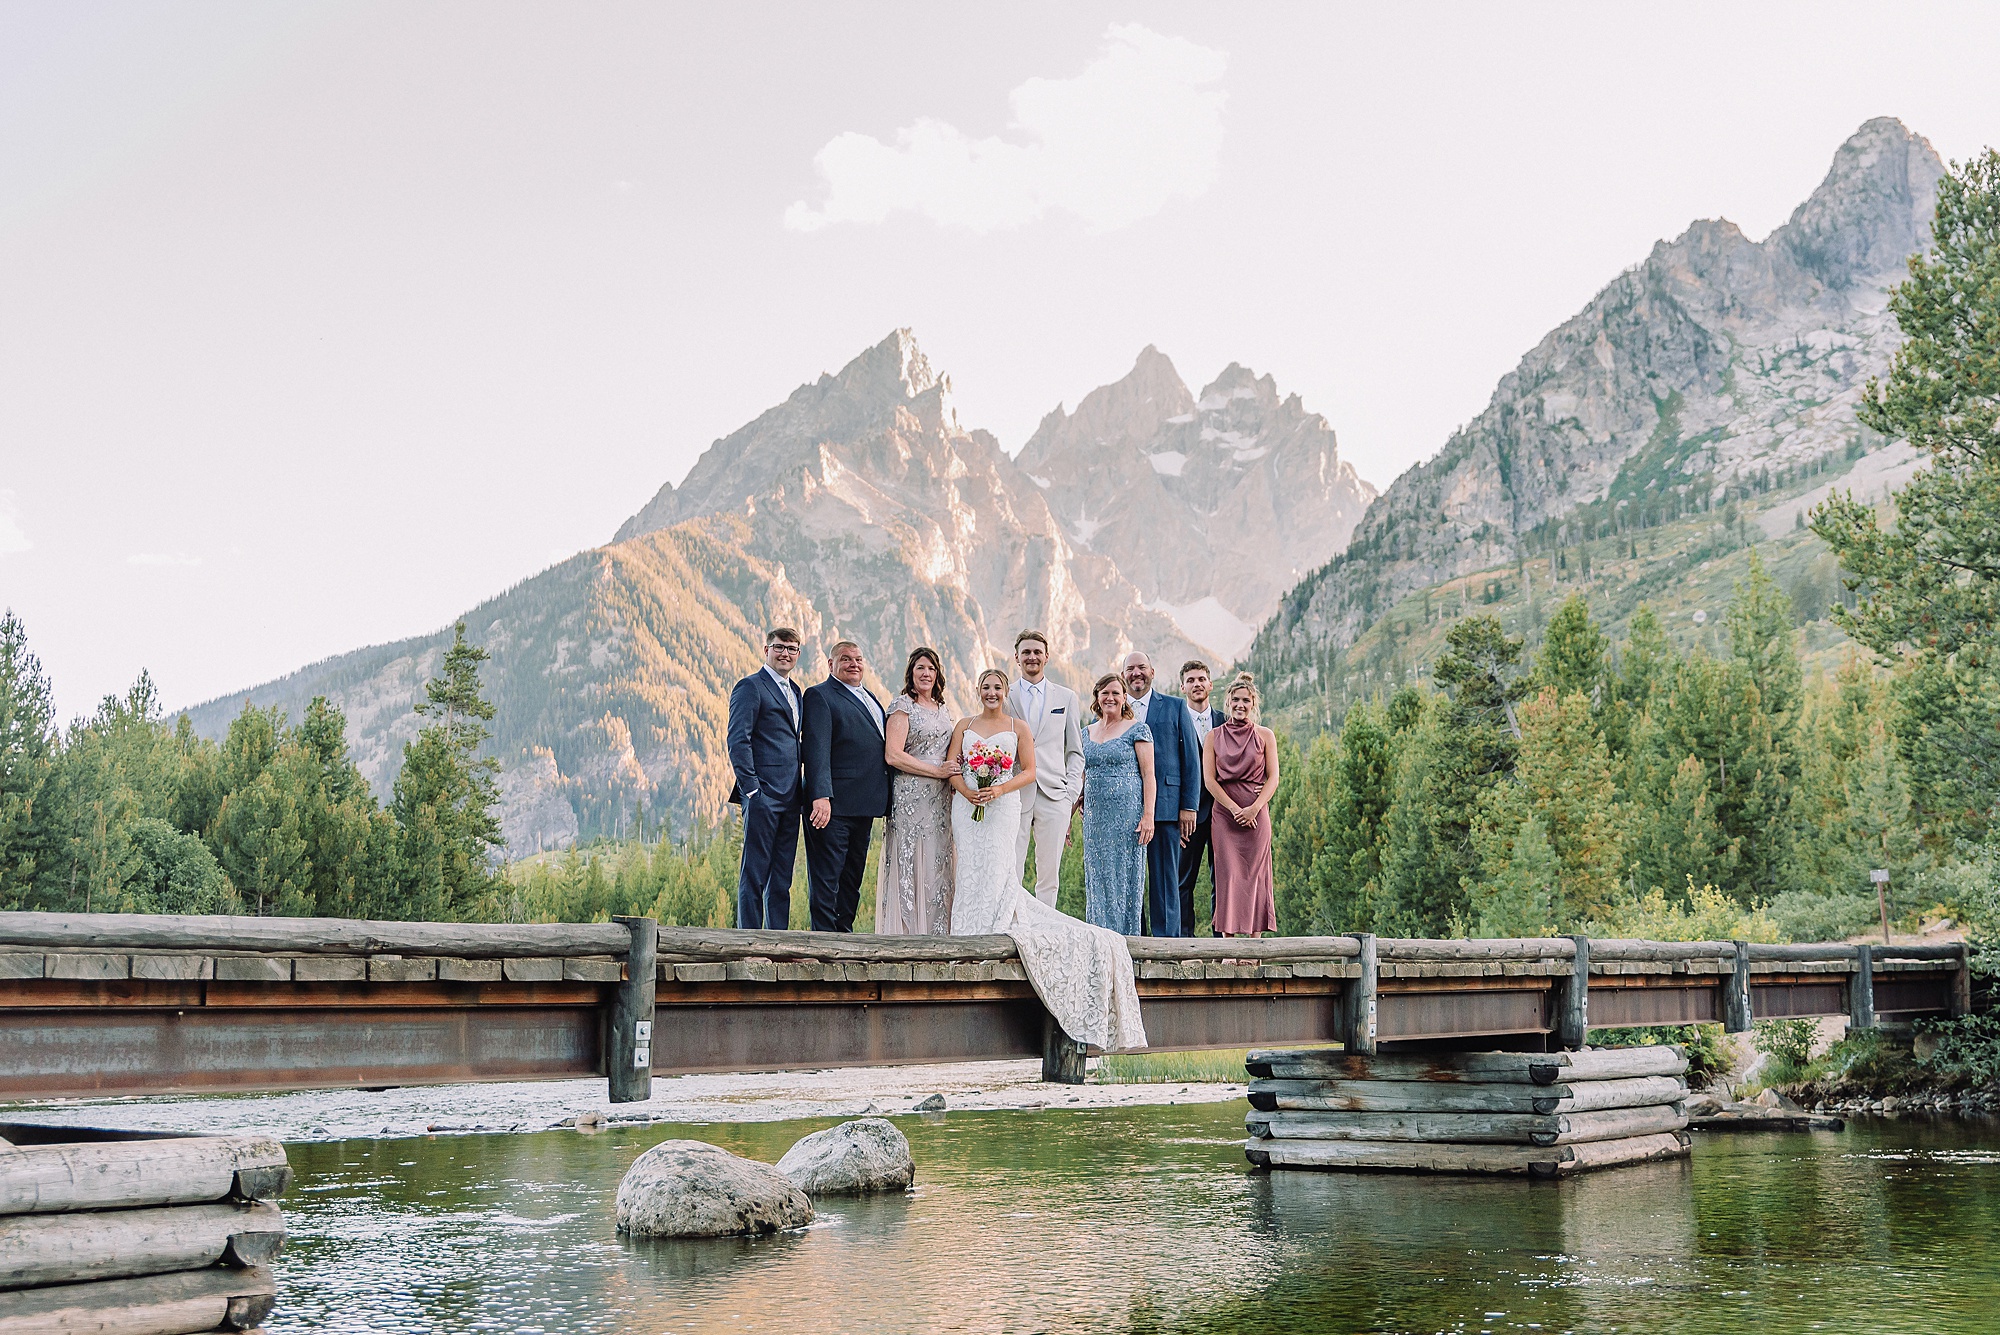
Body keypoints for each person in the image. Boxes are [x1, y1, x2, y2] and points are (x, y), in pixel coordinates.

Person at [948, 667, 1147, 1055]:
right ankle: (967, 934)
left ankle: (1000, 925)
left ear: (1005, 692)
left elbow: (1031, 770)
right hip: (968, 806)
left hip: (1003, 802)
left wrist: (998, 787)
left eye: (997, 688)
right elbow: (954, 767)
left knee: (1006, 868)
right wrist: (968, 791)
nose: (991, 692)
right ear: (978, 690)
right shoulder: (964, 724)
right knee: (970, 869)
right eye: (985, 687)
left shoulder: (1018, 726)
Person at [801, 640, 892, 933]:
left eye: (858, 659)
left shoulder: (871, 698)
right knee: (828, 877)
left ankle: (845, 938)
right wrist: (820, 796)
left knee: (852, 878)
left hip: (864, 805)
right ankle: (825, 942)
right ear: (831, 664)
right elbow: (816, 750)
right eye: (845, 658)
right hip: (832, 806)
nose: (853, 664)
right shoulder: (820, 695)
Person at [726, 627, 805, 930]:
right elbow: (738, 740)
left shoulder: (796, 690)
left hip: (791, 797)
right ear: (766, 649)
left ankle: (778, 942)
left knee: (782, 878)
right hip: (762, 796)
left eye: (792, 649)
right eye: (779, 647)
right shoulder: (750, 687)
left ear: (797, 654)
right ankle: (749, 941)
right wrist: (752, 790)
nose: (785, 653)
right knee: (754, 874)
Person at [877, 646, 956, 935]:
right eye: (921, 668)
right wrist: (935, 771)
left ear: (938, 675)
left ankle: (940, 931)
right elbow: (893, 755)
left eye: (931, 668)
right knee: (911, 858)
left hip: (941, 799)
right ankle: (909, 931)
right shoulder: (902, 706)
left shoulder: (942, 708)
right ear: (911, 672)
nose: (926, 673)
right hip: (911, 795)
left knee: (939, 859)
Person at [1120, 651, 1199, 937]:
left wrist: (1189, 805)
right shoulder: (1114, 708)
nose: (1136, 673)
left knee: (1166, 880)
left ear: (1152, 671)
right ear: (1123, 675)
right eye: (1130, 669)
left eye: (1141, 667)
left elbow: (1191, 758)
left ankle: (1168, 946)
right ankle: (1136, 942)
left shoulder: (1175, 706)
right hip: (1125, 809)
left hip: (1166, 808)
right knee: (1129, 882)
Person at [1008, 629, 1085, 907]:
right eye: (1026, 652)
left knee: (1049, 875)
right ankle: (1012, 926)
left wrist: (1070, 794)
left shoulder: (1065, 697)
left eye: (1037, 652)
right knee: (1011, 868)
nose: (1032, 657)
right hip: (1014, 794)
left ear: (1047, 656)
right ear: (1017, 657)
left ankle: (1045, 931)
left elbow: (1076, 751)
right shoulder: (1005, 695)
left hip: (1055, 795)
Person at [1205, 672, 1280, 939]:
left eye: (1245, 700)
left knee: (1256, 876)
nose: (1240, 704)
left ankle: (1254, 944)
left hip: (1257, 817)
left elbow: (1273, 778)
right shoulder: (1213, 737)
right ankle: (1228, 945)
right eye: (1235, 699)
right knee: (1228, 877)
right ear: (1228, 702)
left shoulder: (1265, 735)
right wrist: (1235, 809)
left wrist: (1254, 808)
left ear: (1253, 703)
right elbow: (1210, 781)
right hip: (1225, 817)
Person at [1079, 673, 1155, 935]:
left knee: (1123, 878)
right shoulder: (1085, 732)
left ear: (1124, 698)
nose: (1110, 697)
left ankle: (1126, 944)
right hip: (1095, 819)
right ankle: (1099, 940)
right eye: (1104, 693)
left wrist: (1148, 816)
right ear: (1097, 698)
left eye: (1115, 693)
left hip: (1128, 818)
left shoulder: (1137, 729)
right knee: (1097, 877)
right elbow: (1081, 774)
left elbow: (1149, 775)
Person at [1176, 660, 1223, 937]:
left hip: (1222, 815)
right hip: (1188, 815)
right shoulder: (1175, 721)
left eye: (1201, 679)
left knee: (1222, 881)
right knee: (1184, 882)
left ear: (1210, 684)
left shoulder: (1225, 721)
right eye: (1191, 680)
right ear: (1183, 686)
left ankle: (1221, 941)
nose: (1197, 684)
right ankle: (1186, 942)